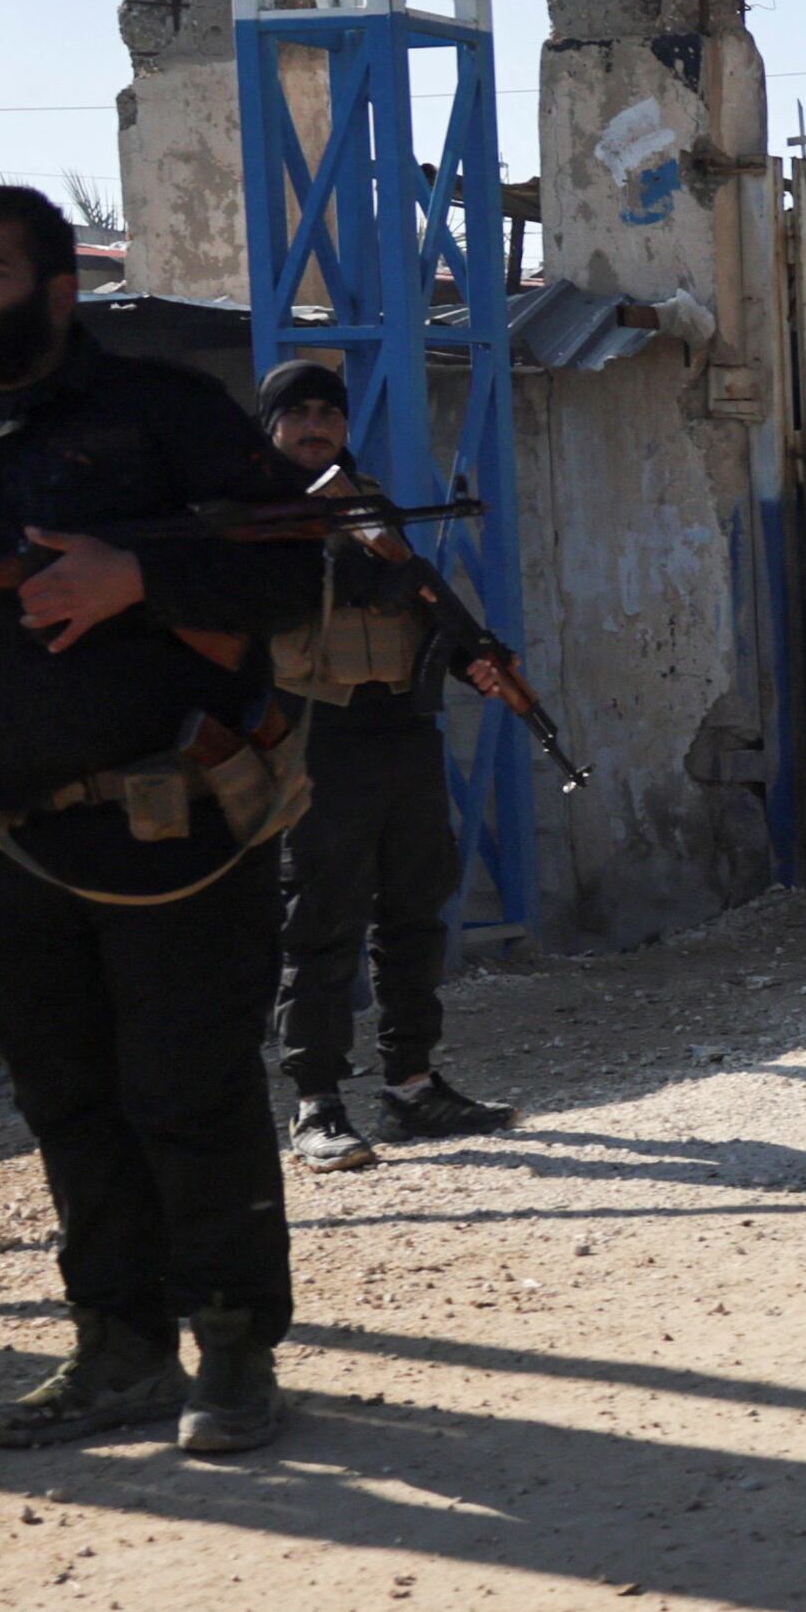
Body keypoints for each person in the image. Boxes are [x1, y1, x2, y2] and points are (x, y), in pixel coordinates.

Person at [0, 183, 319, 1455]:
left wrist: (138, 575)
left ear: (57, 288)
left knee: (186, 1089)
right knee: (67, 1099)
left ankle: (234, 1351)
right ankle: (117, 1350)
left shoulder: (164, 417)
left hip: (172, 826)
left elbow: (291, 569)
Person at [250, 360, 514, 1172]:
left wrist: (474, 652)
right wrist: (352, 565)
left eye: (328, 411)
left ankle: (411, 1082)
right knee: (321, 922)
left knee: (413, 913)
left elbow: (424, 600)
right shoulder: (254, 516)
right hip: (314, 737)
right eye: (298, 415)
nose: (316, 426)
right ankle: (317, 1104)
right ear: (272, 429)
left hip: (399, 727)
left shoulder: (369, 506)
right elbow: (268, 603)